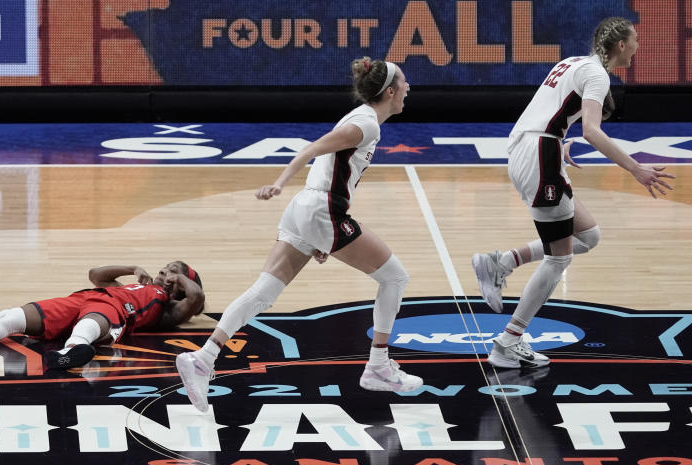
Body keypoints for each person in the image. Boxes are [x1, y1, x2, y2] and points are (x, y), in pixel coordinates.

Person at [175, 57, 423, 412]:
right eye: (404, 82)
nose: (409, 88)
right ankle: (379, 366)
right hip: (321, 210)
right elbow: (310, 148)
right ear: (389, 91)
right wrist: (278, 184)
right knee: (395, 277)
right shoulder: (365, 124)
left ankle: (203, 359)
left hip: (308, 211)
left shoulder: (364, 121)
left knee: (263, 292)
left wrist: (322, 237)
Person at [471, 16, 674, 369]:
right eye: (636, 40)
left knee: (588, 235)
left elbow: (547, 111)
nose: (639, 47)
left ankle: (501, 262)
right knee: (559, 258)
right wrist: (635, 168)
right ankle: (508, 341)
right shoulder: (597, 74)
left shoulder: (572, 62)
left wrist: (558, 141)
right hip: (539, 154)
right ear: (621, 46)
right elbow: (593, 131)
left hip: (532, 147)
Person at [0, 262, 205, 369]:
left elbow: (197, 298)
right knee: (11, 317)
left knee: (91, 322)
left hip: (114, 313)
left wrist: (178, 282)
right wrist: (131, 268)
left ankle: (69, 352)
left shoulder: (167, 308)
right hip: (82, 298)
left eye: (174, 273)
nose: (166, 273)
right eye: (166, 268)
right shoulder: (134, 285)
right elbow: (95, 274)